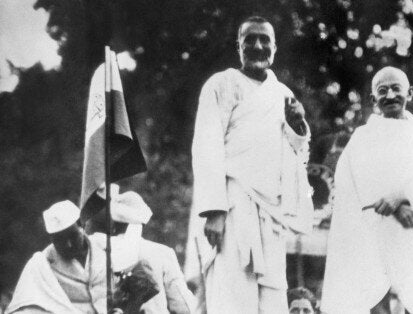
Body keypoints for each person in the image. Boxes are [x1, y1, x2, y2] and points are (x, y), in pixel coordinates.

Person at [190, 15, 313, 313]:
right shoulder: (221, 84)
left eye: (265, 40)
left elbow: (297, 159)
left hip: (270, 213)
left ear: (275, 47)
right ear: (239, 46)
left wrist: (298, 127)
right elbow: (206, 146)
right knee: (232, 294)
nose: (258, 46)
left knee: (271, 299)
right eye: (250, 40)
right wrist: (214, 211)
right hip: (232, 205)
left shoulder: (283, 95)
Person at [320, 66, 413, 314]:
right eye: (382, 90)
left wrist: (401, 198)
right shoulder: (362, 137)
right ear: (373, 99)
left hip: (412, 226)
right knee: (371, 299)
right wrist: (387, 205)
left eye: (396, 89)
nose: (390, 95)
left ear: (409, 93)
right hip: (372, 227)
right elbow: (350, 180)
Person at [87, 184, 196, 313]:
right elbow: (183, 306)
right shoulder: (161, 253)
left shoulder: (96, 248)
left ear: (113, 225)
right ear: (142, 224)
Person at [6, 200, 106, 314]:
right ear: (51, 239)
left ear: (82, 226)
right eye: (60, 240)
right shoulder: (41, 264)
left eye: (73, 236)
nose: (68, 244)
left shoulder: (105, 247)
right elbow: (24, 306)